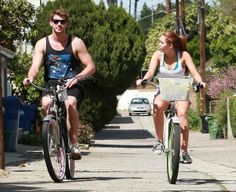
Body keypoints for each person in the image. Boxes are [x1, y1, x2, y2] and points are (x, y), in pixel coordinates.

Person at [23, 8, 96, 160]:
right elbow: (35, 66)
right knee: (45, 105)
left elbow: (91, 66)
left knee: (70, 103)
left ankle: (74, 144)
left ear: (66, 23)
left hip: (71, 83)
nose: (59, 24)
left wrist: (78, 77)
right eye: (56, 21)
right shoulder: (42, 44)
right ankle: (52, 136)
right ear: (51, 23)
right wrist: (30, 77)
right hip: (52, 84)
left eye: (62, 22)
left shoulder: (76, 42)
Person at [136, 31, 206, 164]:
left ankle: (184, 151)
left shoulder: (184, 56)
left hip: (181, 90)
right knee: (157, 106)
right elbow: (150, 72)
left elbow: (195, 73)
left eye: (161, 42)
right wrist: (143, 80)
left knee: (183, 114)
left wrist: (200, 82)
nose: (159, 44)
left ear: (171, 45)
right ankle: (159, 142)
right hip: (164, 90)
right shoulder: (158, 55)